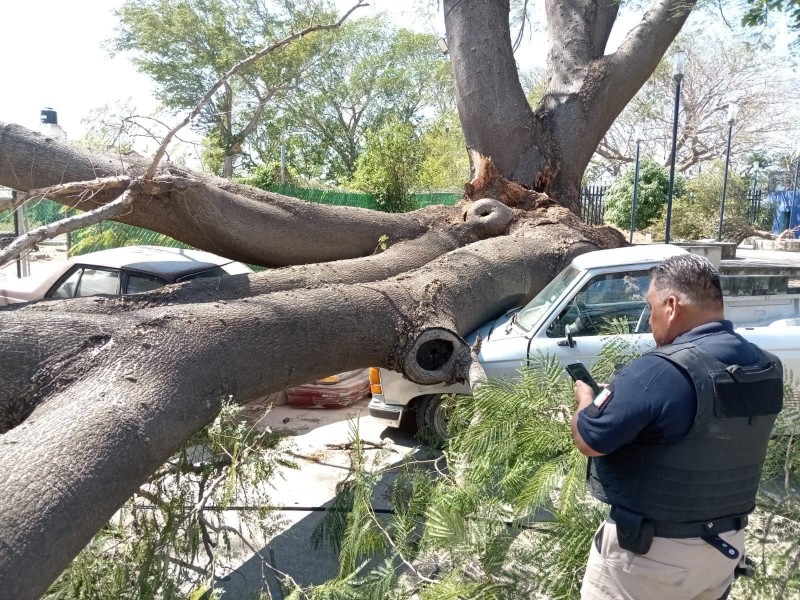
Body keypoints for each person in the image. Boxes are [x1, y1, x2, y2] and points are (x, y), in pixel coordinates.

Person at [570, 253, 784, 600]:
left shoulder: (660, 371)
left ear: (671, 305)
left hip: (649, 557)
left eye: (650, 307)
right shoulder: (765, 366)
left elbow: (591, 438)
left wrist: (585, 400)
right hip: (722, 551)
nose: (649, 319)